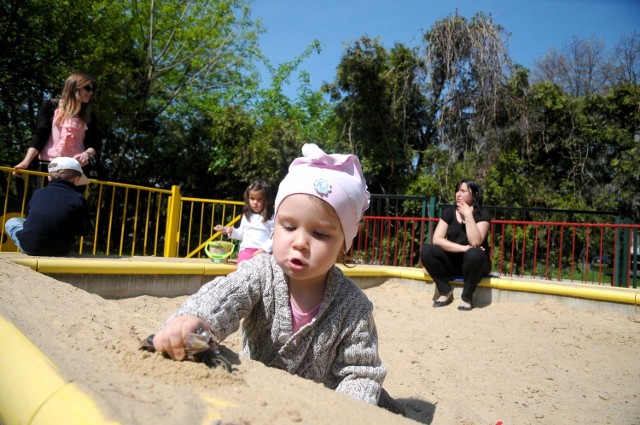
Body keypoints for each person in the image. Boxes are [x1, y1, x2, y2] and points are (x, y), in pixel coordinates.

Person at [152, 143, 405, 415]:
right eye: (288, 226)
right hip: (255, 399)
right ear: (275, 228)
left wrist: (345, 411)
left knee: (377, 397)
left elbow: (361, 373)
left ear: (344, 245)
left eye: (320, 234)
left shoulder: (354, 308)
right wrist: (196, 320)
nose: (300, 243)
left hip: (317, 410)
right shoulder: (261, 272)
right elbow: (224, 297)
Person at [13, 73, 100, 183]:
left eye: (92, 90)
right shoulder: (50, 106)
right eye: (87, 88)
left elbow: (94, 144)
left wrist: (86, 154)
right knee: (43, 199)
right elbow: (40, 136)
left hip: (76, 170)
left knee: (72, 201)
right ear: (74, 87)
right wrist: (26, 162)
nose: (90, 93)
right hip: (48, 167)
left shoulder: (89, 116)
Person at [420, 178, 491, 311]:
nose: (458, 194)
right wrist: (463, 248)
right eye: (457, 190)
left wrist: (468, 214)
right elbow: (437, 239)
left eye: (463, 191)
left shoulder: (483, 213)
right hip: (453, 261)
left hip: (475, 265)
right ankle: (445, 292)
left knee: (474, 253)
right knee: (428, 251)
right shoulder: (448, 212)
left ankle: (466, 297)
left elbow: (475, 241)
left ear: (474, 195)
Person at [4, 157, 91, 256]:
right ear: (76, 180)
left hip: (30, 248)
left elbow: (28, 219)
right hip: (61, 250)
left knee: (12, 222)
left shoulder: (39, 193)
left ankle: (30, 245)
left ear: (49, 177)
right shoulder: (78, 198)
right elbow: (84, 230)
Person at [219, 181, 275, 264]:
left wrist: (263, 250)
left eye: (259, 199)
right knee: (243, 269)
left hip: (265, 252)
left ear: (266, 200)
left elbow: (275, 238)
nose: (255, 202)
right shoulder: (247, 215)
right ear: (247, 199)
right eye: (252, 199)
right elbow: (242, 234)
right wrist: (231, 231)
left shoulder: (271, 216)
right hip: (246, 251)